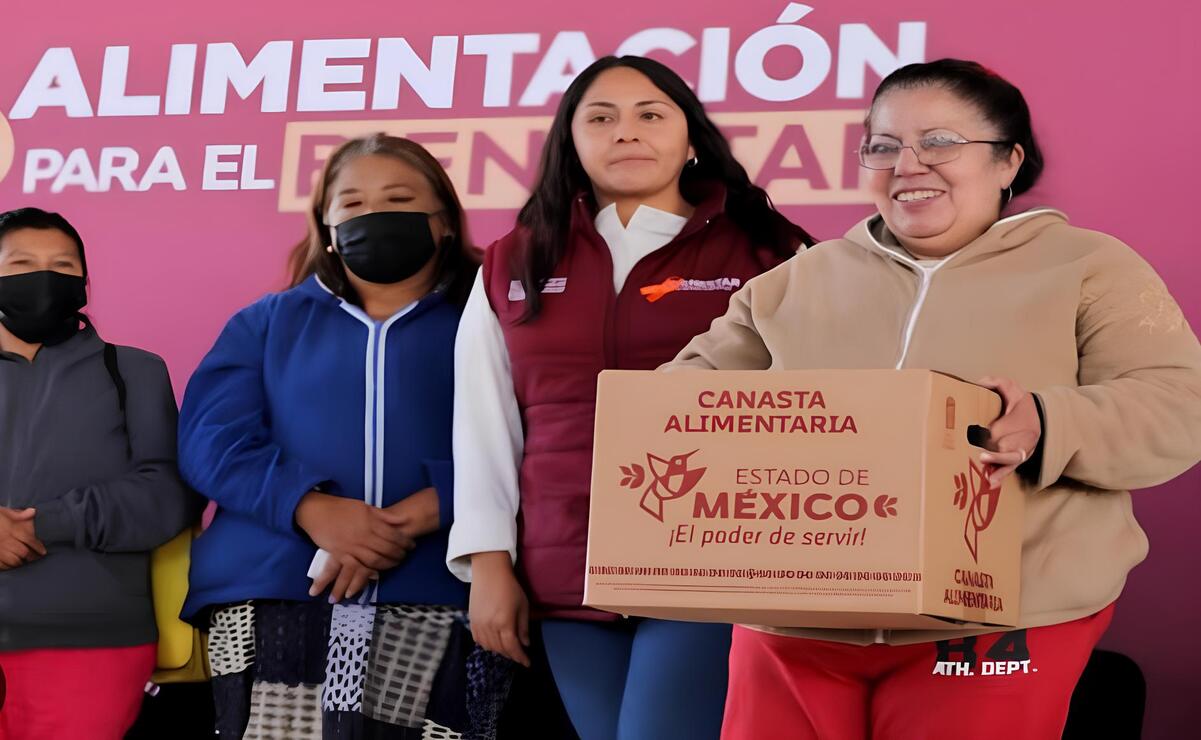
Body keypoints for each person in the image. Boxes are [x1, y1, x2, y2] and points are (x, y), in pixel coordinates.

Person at [662, 59, 1201, 740]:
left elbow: (1177, 404)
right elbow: (679, 404)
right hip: (795, 619)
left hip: (996, 617)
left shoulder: (1088, 266)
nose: (907, 165)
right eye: (883, 146)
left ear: (1007, 161)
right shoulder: (797, 278)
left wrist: (1047, 422)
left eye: (940, 142)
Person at [446, 55, 813, 740]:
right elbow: (483, 422)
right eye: (601, 118)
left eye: (650, 114)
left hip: (711, 561)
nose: (626, 132)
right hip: (564, 571)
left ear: (691, 136)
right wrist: (489, 564)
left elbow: (815, 407)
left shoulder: (769, 252)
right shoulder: (513, 260)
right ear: (570, 141)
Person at [177, 134, 489, 739]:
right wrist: (312, 509)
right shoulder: (265, 322)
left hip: (441, 588)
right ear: (325, 225)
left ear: (445, 221)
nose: (375, 215)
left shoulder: (494, 321)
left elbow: (538, 436)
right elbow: (210, 441)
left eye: (399, 200)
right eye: (353, 204)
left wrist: (427, 511)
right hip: (275, 589)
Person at [0, 207, 197, 740]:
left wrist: (44, 524)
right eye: (21, 263)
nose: (44, 277)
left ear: (85, 284)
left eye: (62, 265)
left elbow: (167, 493)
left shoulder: (134, 371)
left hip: (91, 639)